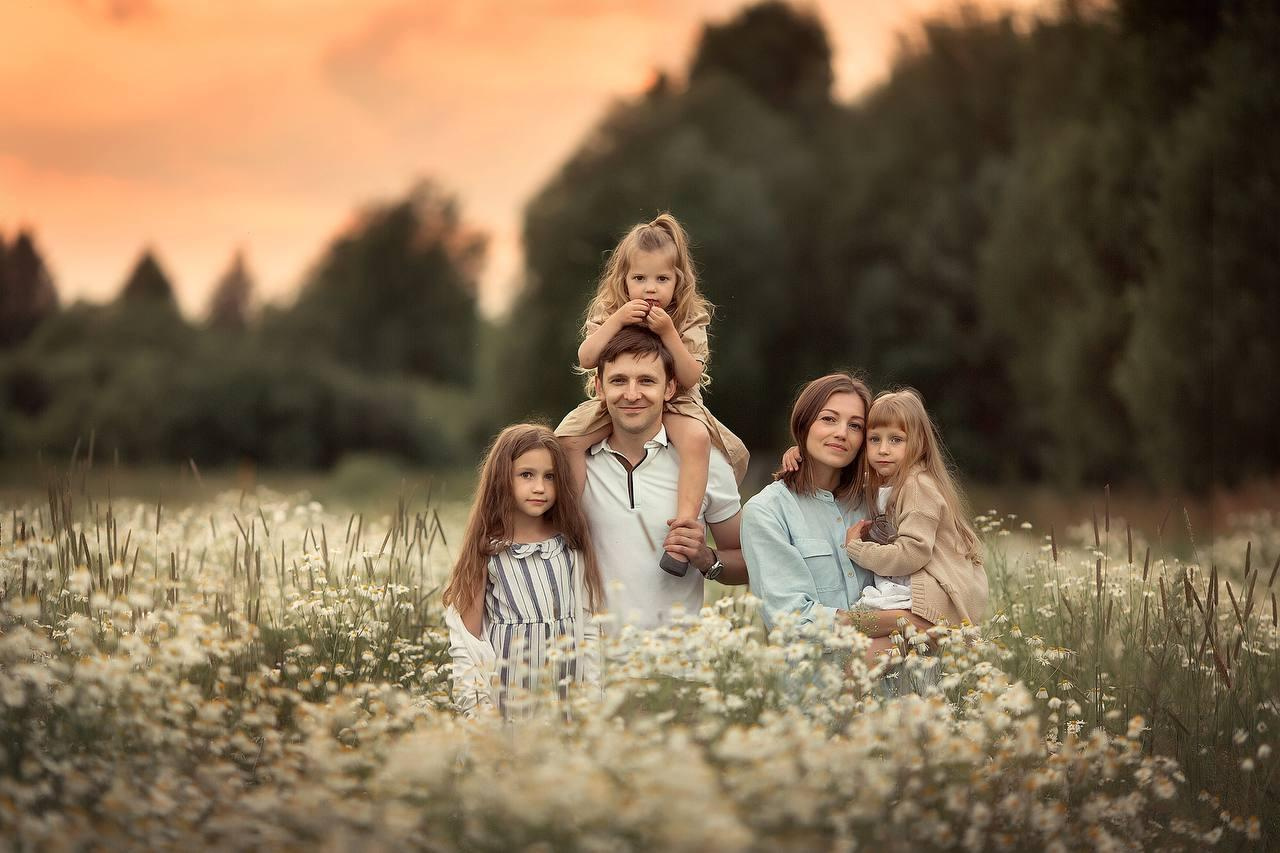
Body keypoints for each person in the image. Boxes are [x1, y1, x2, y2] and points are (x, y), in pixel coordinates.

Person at [556, 213, 749, 576]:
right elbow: (586, 358)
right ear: (623, 280)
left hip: (679, 401)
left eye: (662, 279)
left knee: (695, 438)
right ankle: (571, 525)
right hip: (606, 404)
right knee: (567, 439)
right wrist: (618, 321)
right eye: (639, 278)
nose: (650, 288)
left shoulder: (689, 316)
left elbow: (691, 375)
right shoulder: (610, 310)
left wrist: (668, 333)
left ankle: (683, 532)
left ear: (679, 281)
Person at [578, 326, 748, 631]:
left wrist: (707, 558)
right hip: (588, 668)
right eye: (618, 380)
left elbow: (747, 562)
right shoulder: (573, 463)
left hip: (674, 670)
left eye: (646, 381)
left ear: (669, 388)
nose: (632, 394)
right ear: (599, 387)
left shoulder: (708, 464)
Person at [442, 424, 604, 717]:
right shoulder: (487, 552)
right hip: (509, 706)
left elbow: (589, 627)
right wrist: (481, 717)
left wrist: (592, 702)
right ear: (503, 478)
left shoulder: (571, 546)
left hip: (566, 703)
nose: (539, 487)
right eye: (526, 475)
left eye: (550, 476)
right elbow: (468, 644)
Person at [741, 373, 895, 637]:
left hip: (896, 675)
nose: (841, 433)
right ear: (804, 424)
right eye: (828, 419)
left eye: (856, 426)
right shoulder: (766, 511)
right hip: (816, 674)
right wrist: (904, 622)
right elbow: (793, 621)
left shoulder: (879, 502)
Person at [842, 389, 989, 656]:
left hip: (931, 595)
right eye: (874, 439)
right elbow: (840, 473)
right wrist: (799, 454)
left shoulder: (918, 485)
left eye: (896, 439)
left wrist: (858, 549)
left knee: (851, 626)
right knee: (859, 638)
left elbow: (913, 554)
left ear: (919, 443)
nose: (883, 449)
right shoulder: (886, 481)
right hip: (906, 589)